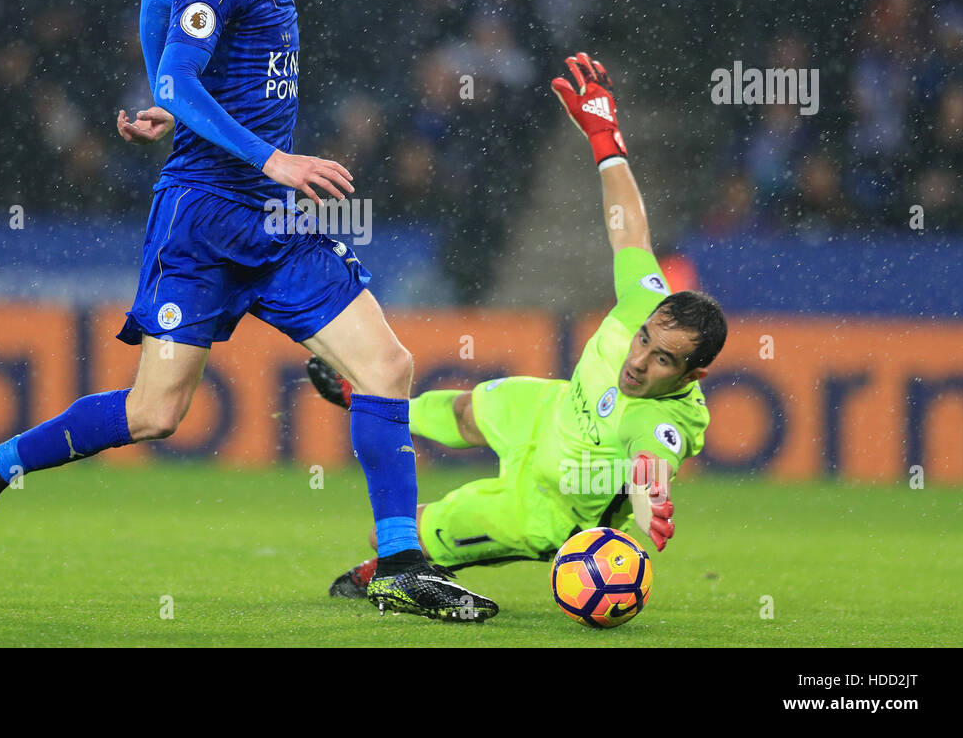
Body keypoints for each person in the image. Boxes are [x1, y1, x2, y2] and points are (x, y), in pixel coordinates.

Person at [0, 0, 497, 622]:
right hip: (200, 220)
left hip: (270, 220)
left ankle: (400, 562)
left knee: (387, 364)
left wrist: (180, 99)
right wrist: (249, 140)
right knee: (154, 414)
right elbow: (172, 68)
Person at [308, 53, 727, 610]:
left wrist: (652, 505)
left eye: (664, 360)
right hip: (545, 412)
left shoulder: (668, 418)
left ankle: (381, 569)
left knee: (400, 529)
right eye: (645, 338)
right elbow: (629, 230)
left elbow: (653, 465)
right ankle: (368, 399)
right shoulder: (643, 304)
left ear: (693, 375)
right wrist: (605, 137)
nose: (639, 358)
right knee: (462, 412)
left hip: (549, 504)